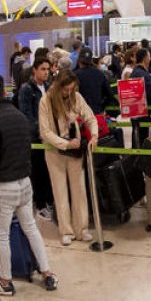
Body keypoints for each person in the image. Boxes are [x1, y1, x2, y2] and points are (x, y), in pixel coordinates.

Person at [0, 74, 58, 296]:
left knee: (2, 235)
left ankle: (5, 281)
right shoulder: (19, 115)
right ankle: (47, 273)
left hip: (3, 187)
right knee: (31, 229)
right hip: (25, 183)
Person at [38, 69, 99, 246]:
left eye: (72, 89)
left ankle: (82, 229)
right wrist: (65, 144)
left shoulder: (77, 98)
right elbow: (44, 131)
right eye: (66, 89)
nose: (69, 92)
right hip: (54, 152)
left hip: (75, 152)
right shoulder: (46, 101)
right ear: (58, 87)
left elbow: (91, 118)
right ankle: (66, 231)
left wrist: (94, 135)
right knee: (60, 191)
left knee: (79, 190)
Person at [18, 59, 53, 219]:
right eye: (43, 69)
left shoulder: (48, 87)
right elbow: (26, 115)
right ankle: (40, 205)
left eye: (48, 69)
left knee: (47, 171)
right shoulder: (26, 89)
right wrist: (41, 130)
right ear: (35, 70)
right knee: (38, 171)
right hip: (35, 138)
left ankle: (48, 201)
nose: (46, 72)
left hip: (49, 137)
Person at [74, 50, 115, 118]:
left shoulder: (75, 75)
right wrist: (102, 106)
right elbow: (110, 94)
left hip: (80, 114)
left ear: (79, 61)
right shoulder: (100, 74)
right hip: (97, 112)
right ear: (91, 61)